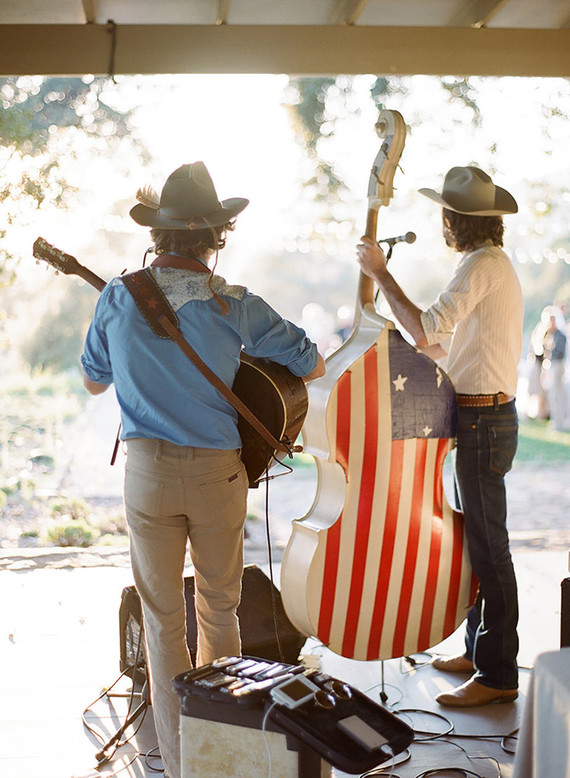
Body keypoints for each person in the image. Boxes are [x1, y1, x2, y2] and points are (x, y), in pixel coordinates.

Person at [80, 162, 325, 778]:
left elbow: (92, 379)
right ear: (216, 235)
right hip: (219, 475)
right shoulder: (233, 301)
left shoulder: (117, 295)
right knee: (220, 609)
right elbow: (312, 362)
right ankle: (226, 748)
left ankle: (180, 757)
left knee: (163, 620)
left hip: (148, 475)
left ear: (157, 234)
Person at [356, 165, 523, 708]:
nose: (441, 225)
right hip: (480, 418)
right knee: (479, 543)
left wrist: (379, 274)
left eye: (444, 216)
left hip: (484, 421)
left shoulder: (481, 265)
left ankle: (498, 674)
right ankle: (480, 653)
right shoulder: (488, 264)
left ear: (456, 221)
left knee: (489, 549)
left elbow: (426, 328)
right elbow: (453, 348)